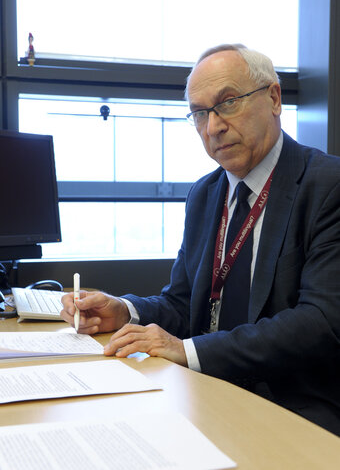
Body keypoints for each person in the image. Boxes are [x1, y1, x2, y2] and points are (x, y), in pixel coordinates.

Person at [61, 44, 340, 436]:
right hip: (202, 388)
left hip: (292, 401)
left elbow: (322, 322)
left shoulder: (327, 185)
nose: (212, 127)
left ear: (274, 98)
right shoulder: (205, 194)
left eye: (227, 103)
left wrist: (190, 350)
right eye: (199, 113)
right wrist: (124, 311)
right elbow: (182, 302)